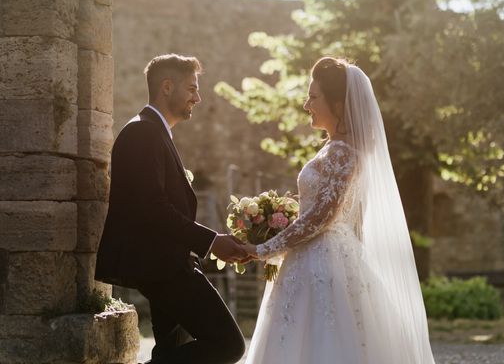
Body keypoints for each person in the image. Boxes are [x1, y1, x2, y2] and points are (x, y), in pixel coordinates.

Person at [242, 57, 436, 363]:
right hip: (315, 256)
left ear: (338, 104)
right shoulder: (334, 149)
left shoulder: (342, 152)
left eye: (313, 97)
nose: (307, 105)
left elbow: (323, 215)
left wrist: (263, 248)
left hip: (324, 261)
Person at [95, 54, 247, 364]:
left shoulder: (154, 131)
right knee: (228, 344)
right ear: (167, 87)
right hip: (162, 267)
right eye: (191, 88)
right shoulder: (143, 133)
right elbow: (153, 207)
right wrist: (212, 241)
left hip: (167, 264)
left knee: (169, 352)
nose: (197, 97)